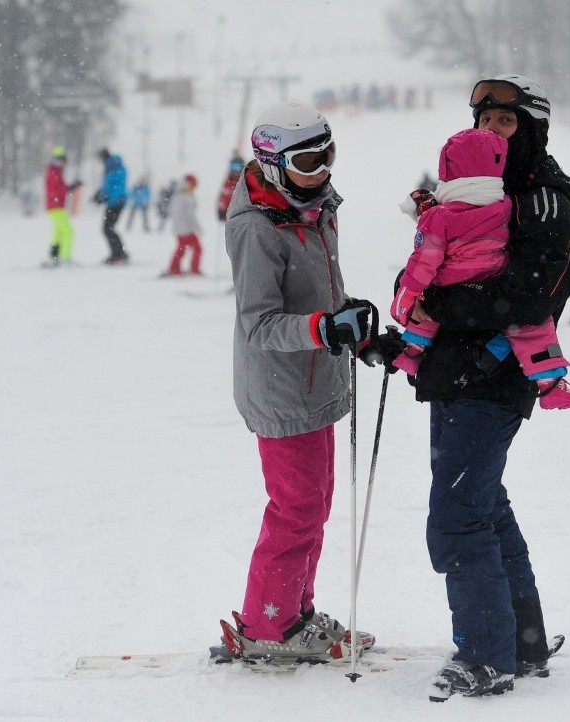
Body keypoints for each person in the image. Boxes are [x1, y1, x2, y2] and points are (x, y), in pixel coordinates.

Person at [388, 74, 570, 701]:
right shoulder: (472, 188)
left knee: (457, 518)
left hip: (494, 376)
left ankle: (486, 656)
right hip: (453, 374)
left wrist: (439, 302)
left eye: (504, 121)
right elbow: (428, 261)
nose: (490, 131)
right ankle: (520, 641)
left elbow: (531, 295)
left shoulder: (542, 198)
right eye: (482, 120)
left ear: (531, 126)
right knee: (483, 504)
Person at [218, 100, 377, 667]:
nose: (324, 170)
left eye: (328, 154)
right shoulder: (258, 229)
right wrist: (324, 326)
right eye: (311, 159)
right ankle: (268, 625)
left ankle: (293, 614)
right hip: (283, 387)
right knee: (295, 507)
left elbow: (318, 291)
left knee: (314, 504)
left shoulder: (311, 207)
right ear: (274, 163)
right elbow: (258, 323)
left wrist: (349, 322)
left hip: (315, 377)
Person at [390, 128, 570, 410]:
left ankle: (412, 351)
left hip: (450, 278)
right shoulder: (505, 204)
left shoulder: (439, 217)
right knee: (534, 327)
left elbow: (424, 260)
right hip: (493, 276)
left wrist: (407, 293)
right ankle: (551, 382)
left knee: (427, 302)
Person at [43, 146, 81, 267]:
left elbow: (59, 188)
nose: (64, 163)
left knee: (58, 232)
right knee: (68, 232)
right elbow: (57, 189)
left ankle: (54, 256)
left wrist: (70, 187)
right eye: (63, 160)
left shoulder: (54, 171)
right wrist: (71, 187)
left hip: (55, 207)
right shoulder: (54, 172)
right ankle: (65, 257)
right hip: (56, 207)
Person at [92, 148, 129, 264]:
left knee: (108, 228)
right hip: (112, 202)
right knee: (108, 229)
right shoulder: (109, 168)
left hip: (117, 203)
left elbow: (119, 186)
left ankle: (119, 253)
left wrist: (107, 197)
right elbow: (106, 186)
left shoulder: (117, 167)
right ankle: (118, 253)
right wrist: (98, 194)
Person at [163, 174, 202, 276]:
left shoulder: (177, 194)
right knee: (197, 249)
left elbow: (170, 210)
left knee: (181, 248)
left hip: (178, 228)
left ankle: (174, 268)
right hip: (186, 229)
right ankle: (194, 269)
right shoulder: (187, 196)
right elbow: (190, 215)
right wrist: (197, 227)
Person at [217, 153, 245, 222]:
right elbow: (223, 197)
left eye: (238, 167)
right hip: (230, 218)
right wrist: (221, 210)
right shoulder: (228, 182)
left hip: (242, 217)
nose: (236, 171)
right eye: (234, 167)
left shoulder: (244, 181)